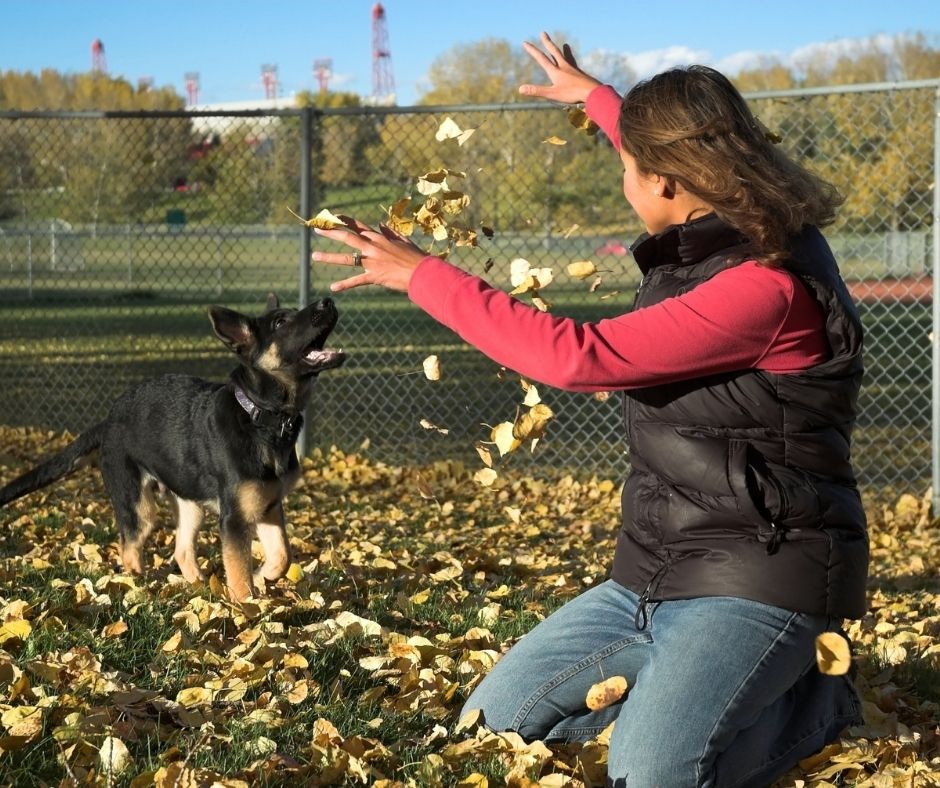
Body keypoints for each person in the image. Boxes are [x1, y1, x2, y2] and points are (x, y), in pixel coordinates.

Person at [312, 32, 867, 788]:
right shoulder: (727, 223)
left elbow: (579, 358)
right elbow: (663, 154)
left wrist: (421, 276)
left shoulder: (763, 287)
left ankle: (812, 709)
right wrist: (598, 101)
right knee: (490, 731)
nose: (623, 179)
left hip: (760, 577)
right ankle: (681, 696)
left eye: (629, 167)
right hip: (650, 573)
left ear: (673, 180)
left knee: (651, 772)